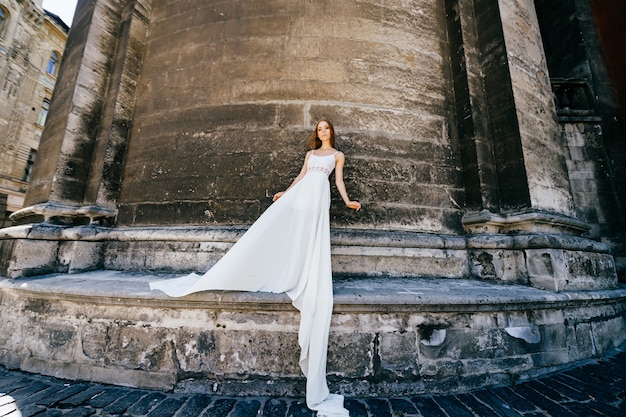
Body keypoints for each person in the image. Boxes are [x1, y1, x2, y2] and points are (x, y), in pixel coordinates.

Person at [150, 119, 360, 417]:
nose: (322, 132)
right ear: (316, 133)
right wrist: (285, 194)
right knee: (290, 231)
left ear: (331, 132)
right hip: (302, 196)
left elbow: (337, 181)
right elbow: (301, 177)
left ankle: (302, 271)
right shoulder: (310, 155)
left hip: (320, 198)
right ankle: (289, 268)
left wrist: (348, 200)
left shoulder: (337, 155)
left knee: (311, 237)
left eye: (326, 128)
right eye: (319, 129)